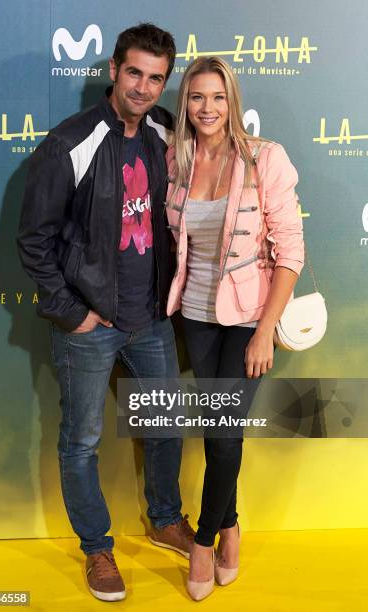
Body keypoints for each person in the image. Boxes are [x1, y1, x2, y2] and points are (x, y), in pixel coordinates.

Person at [17, 23, 195, 603]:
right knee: (82, 441)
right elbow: (34, 241)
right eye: (135, 73)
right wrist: (74, 314)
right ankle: (97, 549)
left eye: (157, 78)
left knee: (167, 426)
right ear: (114, 70)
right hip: (91, 326)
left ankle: (165, 517)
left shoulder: (167, 131)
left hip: (151, 319)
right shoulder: (71, 140)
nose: (144, 87)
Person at [165, 56, 304, 601]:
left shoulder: (264, 157)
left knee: (222, 435)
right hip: (196, 318)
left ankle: (204, 540)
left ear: (233, 101)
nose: (207, 108)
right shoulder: (176, 159)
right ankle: (232, 525)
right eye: (197, 97)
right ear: (185, 104)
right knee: (223, 433)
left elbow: (289, 250)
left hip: (249, 320)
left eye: (218, 97)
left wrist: (265, 331)